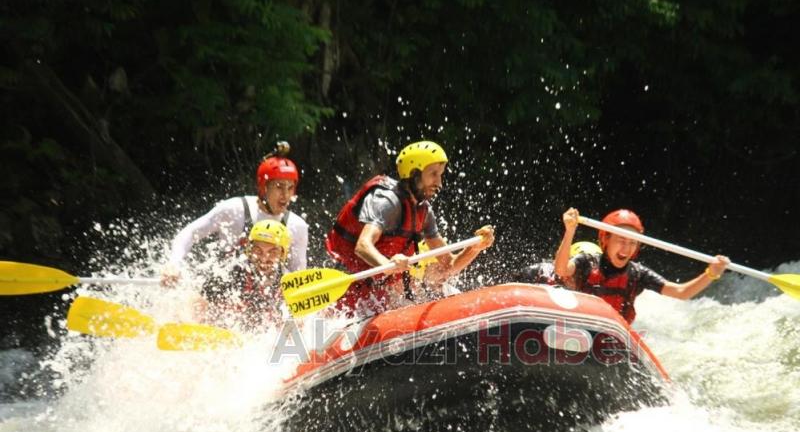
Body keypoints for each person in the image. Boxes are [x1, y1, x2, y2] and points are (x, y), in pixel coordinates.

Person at [325, 140, 495, 315]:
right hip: (347, 288)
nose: (439, 183)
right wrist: (387, 264)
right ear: (414, 174)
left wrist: (475, 248)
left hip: (378, 293)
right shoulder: (387, 202)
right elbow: (363, 246)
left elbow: (449, 265)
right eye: (433, 174)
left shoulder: (424, 211)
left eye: (441, 175)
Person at [162, 144, 308, 284]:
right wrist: (174, 264)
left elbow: (298, 275)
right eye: (279, 187)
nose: (286, 194)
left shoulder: (297, 226)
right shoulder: (233, 209)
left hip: (267, 298)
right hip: (222, 290)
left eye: (290, 188)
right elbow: (191, 232)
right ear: (264, 187)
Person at [554, 207, 730, 324]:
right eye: (621, 240)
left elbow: (681, 293)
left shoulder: (638, 274)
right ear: (605, 240)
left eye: (632, 243)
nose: (626, 248)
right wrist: (570, 230)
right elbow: (561, 270)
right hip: (579, 325)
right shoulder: (587, 261)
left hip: (612, 336)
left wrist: (711, 273)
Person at [194, 219, 290, 329]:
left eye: (272, 253)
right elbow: (198, 303)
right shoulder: (231, 272)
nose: (264, 259)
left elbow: (297, 324)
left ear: (282, 254)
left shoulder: (289, 283)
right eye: (258, 251)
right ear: (249, 250)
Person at [513, 241, 602, 287]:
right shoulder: (542, 272)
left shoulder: (595, 285)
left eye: (581, 275)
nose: (572, 278)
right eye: (575, 271)